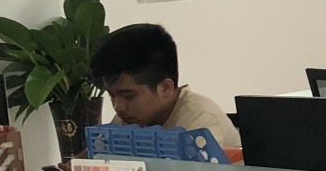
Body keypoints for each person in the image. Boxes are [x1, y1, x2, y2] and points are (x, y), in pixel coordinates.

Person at [89, 23, 240, 151]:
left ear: (166, 88)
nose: (118, 107)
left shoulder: (200, 119)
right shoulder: (128, 119)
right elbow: (94, 155)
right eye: (112, 95)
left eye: (128, 96)